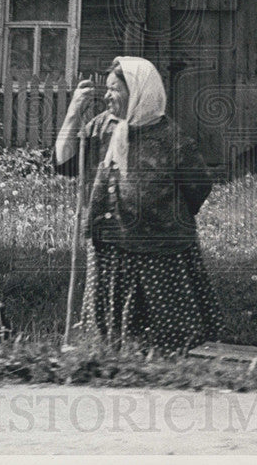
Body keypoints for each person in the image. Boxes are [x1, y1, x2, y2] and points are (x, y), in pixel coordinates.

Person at [54, 56, 222, 353]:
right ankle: (112, 356)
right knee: (109, 336)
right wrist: (72, 113)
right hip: (108, 241)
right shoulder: (102, 127)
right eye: (106, 89)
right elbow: (64, 162)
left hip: (159, 248)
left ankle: (162, 362)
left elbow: (199, 187)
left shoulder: (171, 139)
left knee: (165, 335)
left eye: (114, 89)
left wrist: (165, 216)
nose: (106, 95)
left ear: (140, 93)